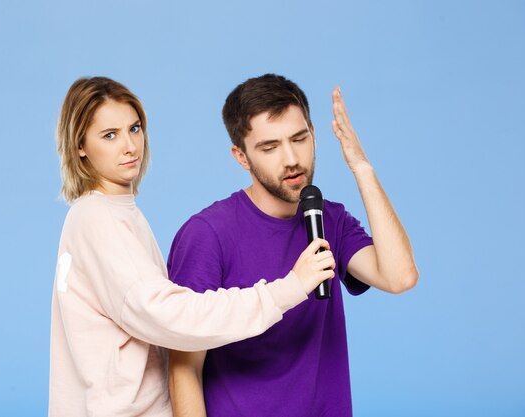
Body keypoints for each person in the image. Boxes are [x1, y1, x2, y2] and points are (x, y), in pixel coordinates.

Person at [48, 76, 336, 417]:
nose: (130, 146)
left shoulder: (113, 215)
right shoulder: (98, 220)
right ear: (79, 145)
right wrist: (289, 288)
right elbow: (172, 318)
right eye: (110, 135)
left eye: (135, 128)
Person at [167, 74, 419, 417]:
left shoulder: (330, 220)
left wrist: (361, 167)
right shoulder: (207, 234)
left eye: (299, 139)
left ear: (314, 135)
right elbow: (184, 365)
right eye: (270, 147)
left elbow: (399, 276)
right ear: (241, 156)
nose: (291, 159)